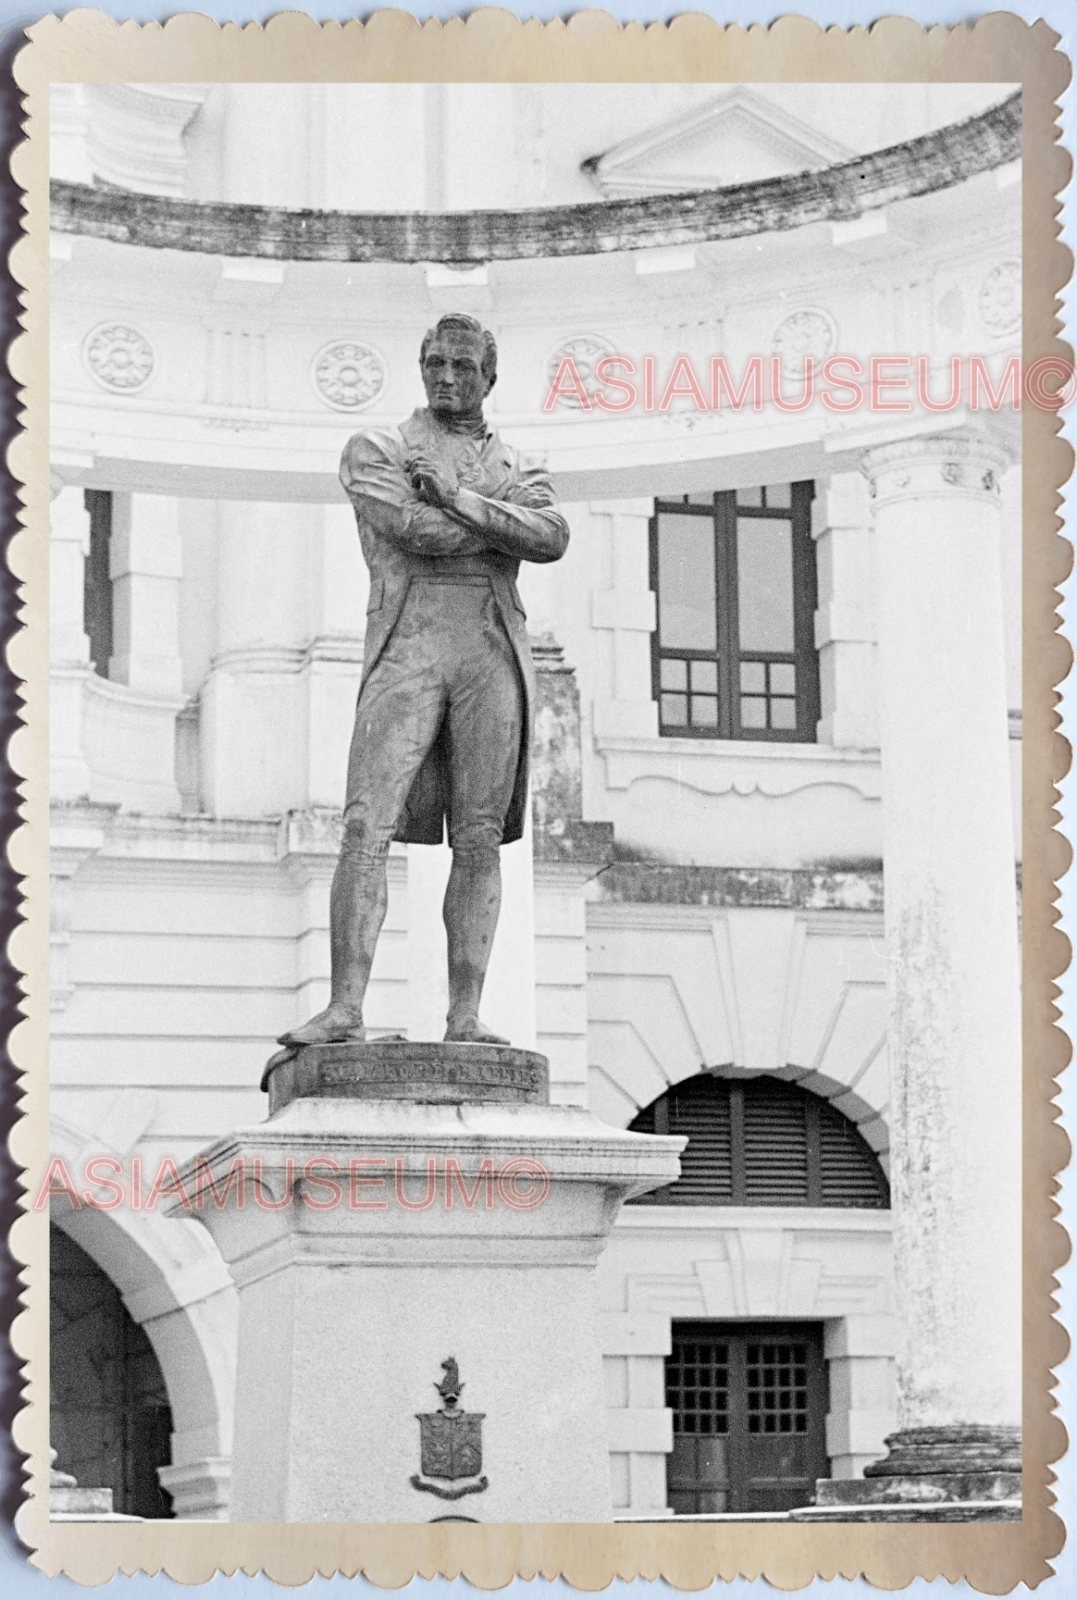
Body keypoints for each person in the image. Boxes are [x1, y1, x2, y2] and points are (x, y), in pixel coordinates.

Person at [278, 312, 568, 1050]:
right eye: (435, 363)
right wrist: (495, 527)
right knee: (364, 824)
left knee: (478, 835)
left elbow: (552, 537)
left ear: (488, 376)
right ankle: (345, 1009)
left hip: (489, 651)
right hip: (408, 645)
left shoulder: (517, 461)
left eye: (462, 367)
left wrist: (457, 499)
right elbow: (415, 532)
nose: (446, 377)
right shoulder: (377, 447)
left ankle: (465, 1017)